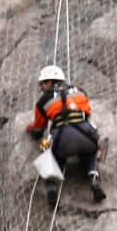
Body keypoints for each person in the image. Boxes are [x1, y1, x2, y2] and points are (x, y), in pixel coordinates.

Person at [26, 64, 105, 207]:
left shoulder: (42, 102)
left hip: (63, 139)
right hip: (86, 134)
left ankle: (51, 184)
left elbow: (38, 130)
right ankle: (93, 177)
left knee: (49, 153)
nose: (41, 88)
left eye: (43, 84)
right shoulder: (80, 91)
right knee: (91, 153)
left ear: (51, 81)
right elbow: (88, 113)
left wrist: (30, 129)